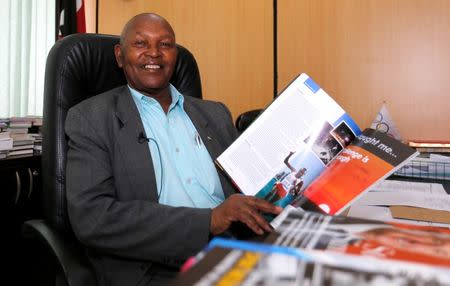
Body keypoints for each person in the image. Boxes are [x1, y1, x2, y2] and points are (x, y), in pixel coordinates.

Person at [65, 13, 282, 286]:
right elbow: (93, 218)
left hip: (238, 250)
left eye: (165, 44)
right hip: (155, 268)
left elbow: (250, 184)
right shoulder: (91, 118)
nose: (154, 53)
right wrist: (209, 221)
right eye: (141, 44)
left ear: (175, 55)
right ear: (120, 56)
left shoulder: (215, 113)